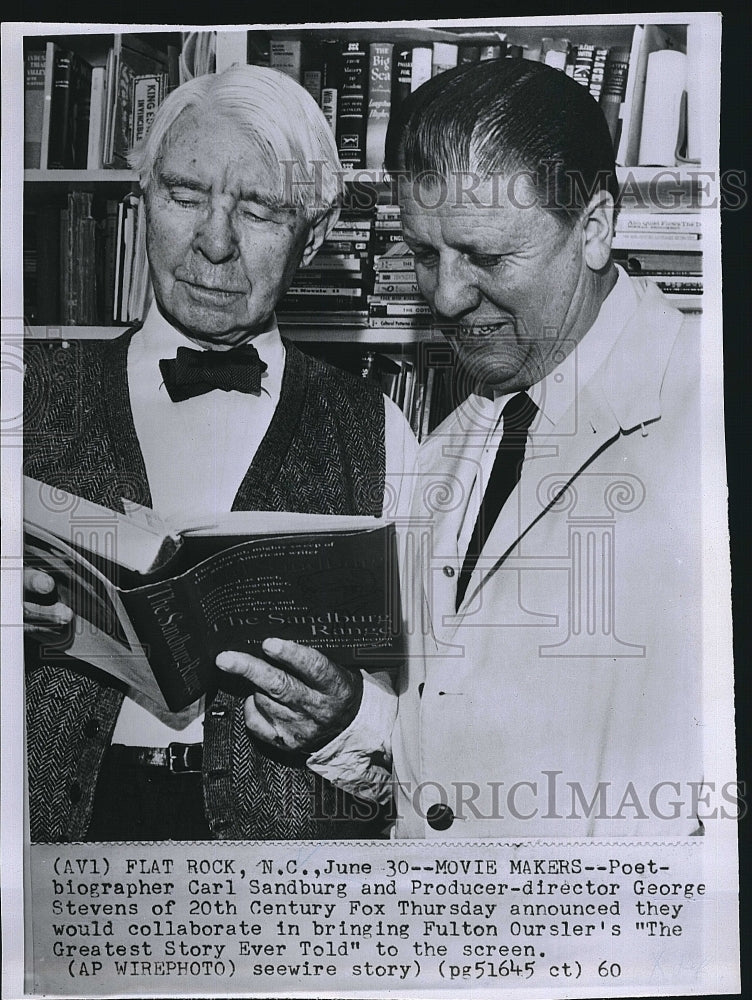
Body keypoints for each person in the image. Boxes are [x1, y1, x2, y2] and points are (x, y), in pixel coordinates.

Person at [218, 58, 705, 838]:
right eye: (423, 252)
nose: (446, 297)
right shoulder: (448, 447)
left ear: (596, 228)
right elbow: (455, 753)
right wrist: (345, 716)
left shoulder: (706, 415)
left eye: (485, 256)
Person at [23, 64, 415, 843]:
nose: (214, 242)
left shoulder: (380, 431)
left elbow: (430, 725)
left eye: (260, 209)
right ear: (142, 201)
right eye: (185, 195)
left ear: (314, 237)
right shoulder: (22, 401)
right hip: (51, 841)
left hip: (283, 876)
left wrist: (348, 714)